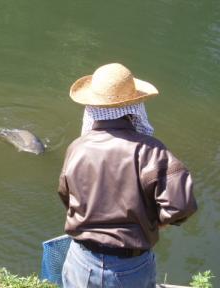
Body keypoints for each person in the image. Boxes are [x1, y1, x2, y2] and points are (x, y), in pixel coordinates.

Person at [58, 63, 197, 288]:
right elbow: (181, 205)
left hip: (80, 260)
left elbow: (66, 196)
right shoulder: (152, 151)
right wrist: (157, 222)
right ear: (135, 109)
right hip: (130, 267)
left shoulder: (76, 148)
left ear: (92, 108)